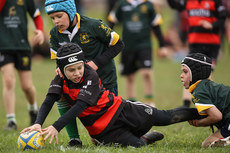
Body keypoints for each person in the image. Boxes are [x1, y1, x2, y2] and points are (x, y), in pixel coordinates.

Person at [21, 43, 203, 147]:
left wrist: (56, 126)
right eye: (71, 70)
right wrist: (37, 123)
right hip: (103, 130)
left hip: (122, 110)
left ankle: (206, 113)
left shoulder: (90, 74)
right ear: (61, 70)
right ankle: (145, 138)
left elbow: (80, 106)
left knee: (166, 117)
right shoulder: (59, 80)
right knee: (137, 146)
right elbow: (48, 100)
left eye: (79, 67)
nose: (77, 73)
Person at [44, 0, 124, 147]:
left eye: (59, 16)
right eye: (52, 18)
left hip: (105, 80)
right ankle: (74, 139)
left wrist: (96, 63)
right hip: (76, 84)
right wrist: (59, 68)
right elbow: (58, 60)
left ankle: (141, 134)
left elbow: (119, 44)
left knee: (105, 139)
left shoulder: (93, 25)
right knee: (60, 93)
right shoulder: (55, 34)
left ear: (70, 11)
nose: (56, 21)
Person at [167, 0, 227, 108]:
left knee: (208, 75)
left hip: (211, 45)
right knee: (187, 70)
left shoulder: (215, 1)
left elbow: (223, 18)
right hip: (195, 44)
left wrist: (212, 25)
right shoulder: (188, 1)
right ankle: (185, 105)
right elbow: (174, 5)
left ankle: (209, 105)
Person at [107, 0, 168, 106]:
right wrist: (106, 41)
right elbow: (111, 24)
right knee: (130, 76)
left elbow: (156, 26)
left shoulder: (148, 5)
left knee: (146, 72)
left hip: (144, 45)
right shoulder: (122, 4)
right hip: (127, 46)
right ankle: (132, 102)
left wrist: (162, 46)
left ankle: (150, 101)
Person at [0, 0, 44, 130]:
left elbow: (36, 14)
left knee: (27, 86)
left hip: (22, 46)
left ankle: (33, 110)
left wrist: (40, 30)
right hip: (4, 46)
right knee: (8, 80)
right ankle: (11, 121)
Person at [180, 53, 230, 147]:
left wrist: (199, 123)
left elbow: (216, 116)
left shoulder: (198, 92)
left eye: (185, 72)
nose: (181, 76)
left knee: (206, 144)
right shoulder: (207, 85)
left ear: (195, 73)